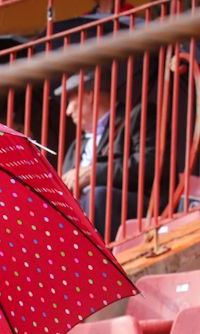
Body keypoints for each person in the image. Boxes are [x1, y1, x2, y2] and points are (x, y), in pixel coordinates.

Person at [58, 66, 157, 241]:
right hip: (86, 212)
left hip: (131, 205)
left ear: (90, 95)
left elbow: (148, 163)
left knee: (99, 195)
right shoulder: (75, 147)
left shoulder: (136, 116)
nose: (67, 111)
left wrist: (94, 174)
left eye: (71, 101)